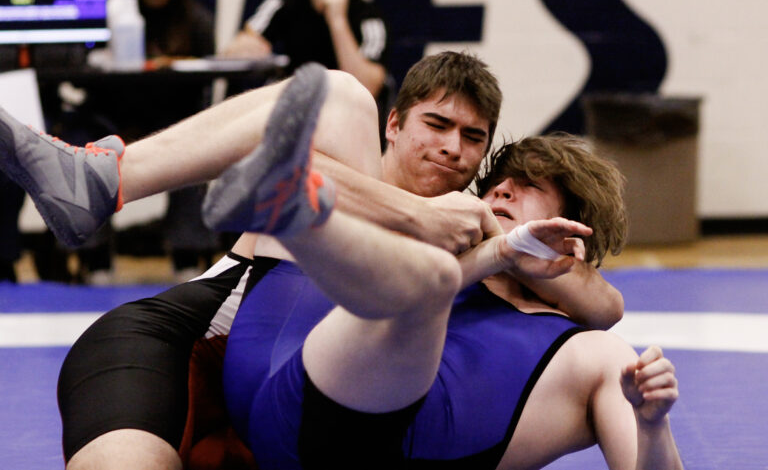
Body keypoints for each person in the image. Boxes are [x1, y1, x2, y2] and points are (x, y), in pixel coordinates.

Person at [0, 54, 622, 469]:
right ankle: (102, 179)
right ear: (396, 125)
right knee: (341, 94)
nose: (453, 149)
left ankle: (101, 179)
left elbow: (604, 306)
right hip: (187, 339)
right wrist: (416, 216)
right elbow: (275, 169)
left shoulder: (472, 227)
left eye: (474, 138)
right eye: (436, 125)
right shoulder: (377, 170)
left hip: (303, 399)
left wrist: (526, 254)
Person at [219, 122, 683, 469]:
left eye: (529, 186)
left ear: (573, 230)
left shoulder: (594, 355)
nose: (502, 188)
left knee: (416, 274)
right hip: (285, 403)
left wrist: (652, 424)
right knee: (341, 125)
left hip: (363, 443)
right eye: (497, 183)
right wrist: (500, 252)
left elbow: (605, 309)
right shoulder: (431, 251)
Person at [76, 0, 219, 281]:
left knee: (199, 147)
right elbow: (80, 74)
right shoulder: (108, 12)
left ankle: (187, 257)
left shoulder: (197, 21)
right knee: (83, 145)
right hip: (109, 121)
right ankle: (95, 258)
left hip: (171, 121)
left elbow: (204, 86)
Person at [223, 0, 389, 98]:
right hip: (294, 109)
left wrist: (337, 21)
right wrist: (248, 48)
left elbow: (368, 86)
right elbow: (233, 50)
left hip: (346, 108)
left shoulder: (369, 17)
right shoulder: (282, 3)